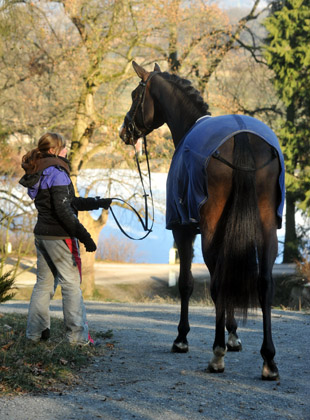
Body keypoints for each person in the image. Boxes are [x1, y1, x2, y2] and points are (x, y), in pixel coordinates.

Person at [19, 132, 111, 345]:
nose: (67, 150)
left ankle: (35, 334)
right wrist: (85, 236)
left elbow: (67, 202)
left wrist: (98, 202)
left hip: (42, 234)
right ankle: (77, 338)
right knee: (71, 284)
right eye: (64, 147)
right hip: (59, 237)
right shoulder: (57, 172)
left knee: (43, 284)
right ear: (53, 150)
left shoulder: (41, 170)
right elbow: (63, 210)